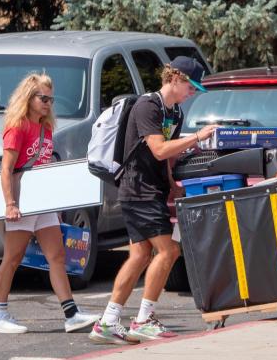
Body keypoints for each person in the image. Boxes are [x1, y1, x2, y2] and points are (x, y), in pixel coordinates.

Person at [89, 56, 217, 345]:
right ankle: (144, 320)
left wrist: (172, 184)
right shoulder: (148, 106)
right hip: (138, 190)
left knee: (140, 256)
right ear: (175, 78)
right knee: (169, 251)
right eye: (191, 86)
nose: (192, 93)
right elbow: (158, 149)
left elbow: (166, 158)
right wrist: (197, 137)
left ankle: (108, 322)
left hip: (152, 190)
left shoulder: (175, 112)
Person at [0, 73, 100, 334]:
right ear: (28, 98)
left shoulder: (46, 128)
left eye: (51, 99)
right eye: (43, 98)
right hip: (23, 202)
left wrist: (55, 204)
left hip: (44, 203)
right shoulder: (17, 127)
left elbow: (45, 167)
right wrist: (10, 204)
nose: (48, 103)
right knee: (13, 258)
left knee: (57, 256)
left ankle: (71, 313)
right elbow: (7, 170)